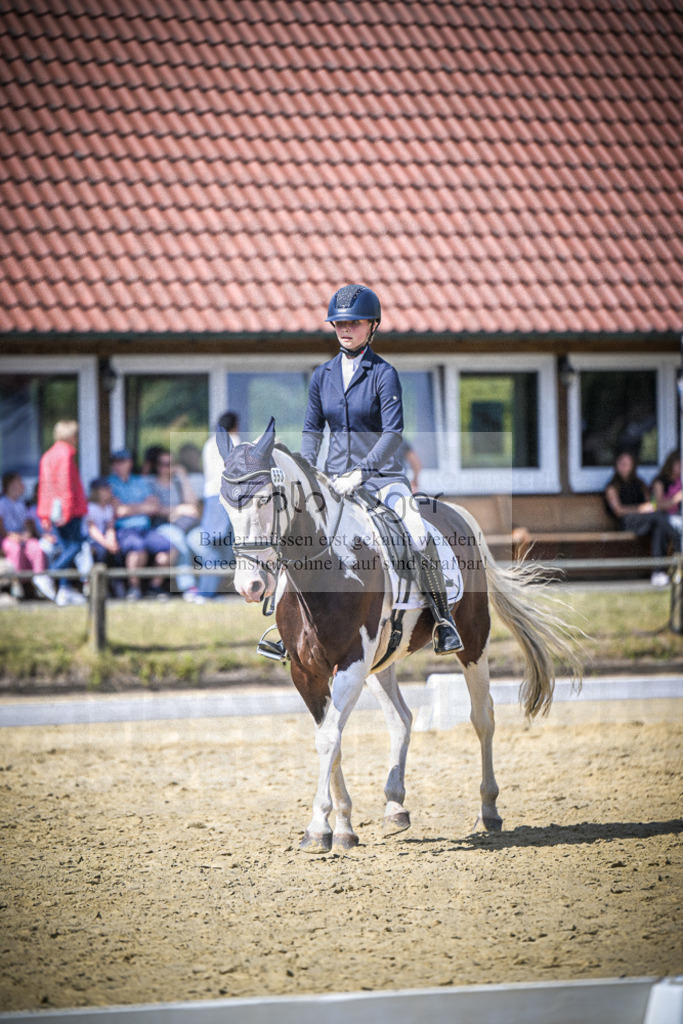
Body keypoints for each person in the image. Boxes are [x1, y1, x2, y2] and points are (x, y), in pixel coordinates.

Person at [301, 284, 463, 654]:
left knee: (417, 532)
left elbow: (393, 434)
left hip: (384, 479)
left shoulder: (383, 374)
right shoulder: (322, 375)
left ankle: (443, 620)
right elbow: (312, 430)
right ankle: (288, 626)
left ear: (372, 325)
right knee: (299, 533)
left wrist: (362, 473)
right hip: (333, 481)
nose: (344, 328)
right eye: (338, 323)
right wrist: (308, 470)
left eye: (353, 322)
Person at [604, 448, 676, 587]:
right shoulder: (612, 487)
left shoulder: (640, 484)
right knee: (659, 519)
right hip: (627, 523)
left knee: (659, 526)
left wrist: (649, 506)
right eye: (621, 463)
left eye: (627, 463)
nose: (624, 466)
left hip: (646, 522)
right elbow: (619, 511)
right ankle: (677, 545)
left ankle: (658, 573)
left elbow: (651, 504)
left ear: (633, 465)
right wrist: (639, 509)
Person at [186, 412, 239, 603]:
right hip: (227, 498)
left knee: (214, 547)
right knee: (219, 549)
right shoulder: (234, 440)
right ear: (235, 425)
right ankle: (205, 593)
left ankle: (206, 592)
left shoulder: (209, 443)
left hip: (211, 498)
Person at [107, 448, 173, 600]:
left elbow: (154, 507)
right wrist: (142, 507)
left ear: (129, 463)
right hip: (125, 530)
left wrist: (129, 508)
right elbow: (119, 511)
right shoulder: (109, 484)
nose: (118, 465)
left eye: (122, 461)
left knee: (170, 548)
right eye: (115, 462)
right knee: (138, 548)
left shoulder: (140, 481)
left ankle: (154, 586)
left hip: (145, 528)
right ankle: (134, 588)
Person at [36, 419, 88, 606]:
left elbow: (44, 488)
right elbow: (65, 486)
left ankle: (64, 591)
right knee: (76, 546)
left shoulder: (48, 455)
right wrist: (67, 511)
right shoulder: (65, 454)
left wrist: (44, 513)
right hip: (69, 512)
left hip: (54, 512)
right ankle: (48, 575)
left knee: (67, 549)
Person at [143, 446, 200, 598]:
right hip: (161, 527)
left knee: (200, 543)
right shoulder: (151, 484)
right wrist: (179, 510)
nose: (166, 467)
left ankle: (208, 588)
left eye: (170, 463)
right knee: (180, 542)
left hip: (182, 525)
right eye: (163, 463)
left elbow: (193, 504)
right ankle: (188, 586)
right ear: (156, 465)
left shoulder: (177, 483)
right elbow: (154, 509)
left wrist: (182, 475)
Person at [0, 472, 56, 601]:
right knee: (16, 549)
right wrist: (11, 535)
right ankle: (17, 583)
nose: (22, 485)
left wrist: (27, 534)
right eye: (19, 482)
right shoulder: (2, 503)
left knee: (35, 547)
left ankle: (38, 579)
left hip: (21, 536)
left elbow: (27, 524)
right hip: (7, 538)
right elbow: (1, 526)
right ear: (10, 485)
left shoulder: (21, 504)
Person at [85, 477, 126, 598]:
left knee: (117, 551)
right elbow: (92, 530)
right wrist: (106, 543)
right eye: (105, 489)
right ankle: (100, 587)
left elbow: (110, 527)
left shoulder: (108, 508)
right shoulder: (90, 507)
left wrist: (111, 542)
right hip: (92, 541)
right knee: (101, 553)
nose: (109, 491)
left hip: (104, 540)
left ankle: (117, 583)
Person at [652, 449, 682, 550]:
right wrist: (676, 498)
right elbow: (658, 505)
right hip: (665, 517)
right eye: (679, 464)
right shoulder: (660, 482)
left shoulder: (680, 481)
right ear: (671, 464)